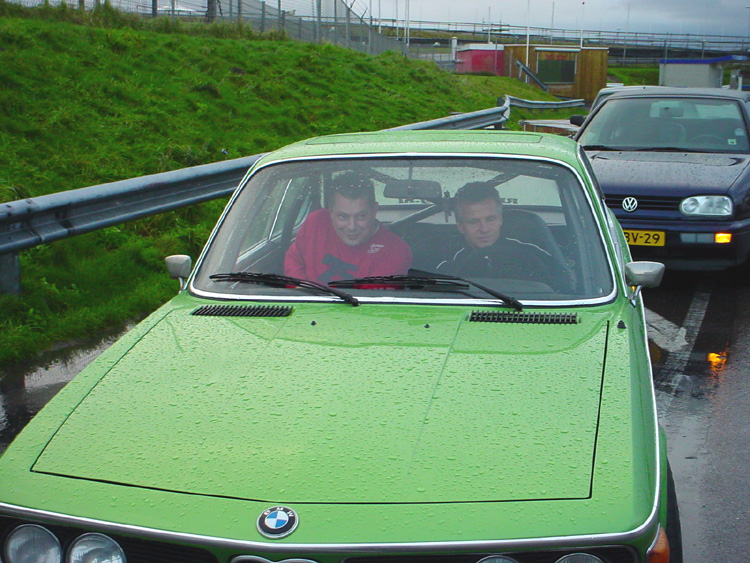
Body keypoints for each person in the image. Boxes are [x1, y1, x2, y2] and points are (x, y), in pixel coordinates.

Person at [284, 173, 412, 283]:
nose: (352, 226)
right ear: (331, 211)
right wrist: (302, 291)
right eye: (342, 217)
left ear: (374, 210)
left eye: (361, 216)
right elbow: (294, 260)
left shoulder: (395, 251)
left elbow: (369, 300)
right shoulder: (316, 222)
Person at [436, 182, 564, 290]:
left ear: (500, 219)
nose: (484, 229)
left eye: (490, 219)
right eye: (473, 222)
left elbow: (562, 292)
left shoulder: (536, 256)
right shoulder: (448, 267)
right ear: (460, 226)